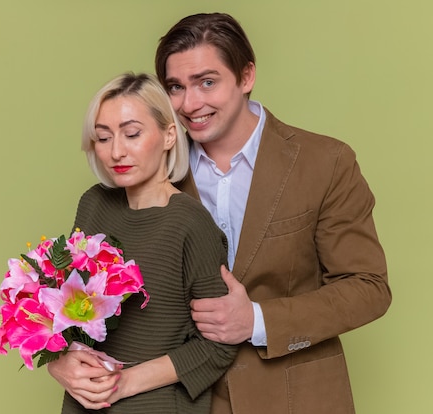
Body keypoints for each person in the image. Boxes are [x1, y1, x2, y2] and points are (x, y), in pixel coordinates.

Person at [151, 12, 392, 414]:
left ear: (246, 77)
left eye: (207, 82)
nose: (189, 104)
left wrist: (257, 321)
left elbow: (368, 287)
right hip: (182, 398)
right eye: (175, 87)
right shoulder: (154, 171)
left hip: (298, 397)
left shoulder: (326, 162)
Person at [48, 72, 237, 413]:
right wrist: (59, 363)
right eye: (103, 138)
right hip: (83, 404)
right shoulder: (93, 205)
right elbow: (68, 313)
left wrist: (124, 382)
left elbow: (218, 346)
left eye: (132, 134)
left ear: (168, 135)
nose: (116, 151)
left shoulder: (191, 224)